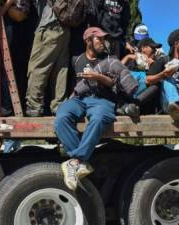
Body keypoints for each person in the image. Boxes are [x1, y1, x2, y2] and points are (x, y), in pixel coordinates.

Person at [55, 27, 135, 190]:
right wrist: (70, 98)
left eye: (104, 39)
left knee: (99, 119)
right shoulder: (76, 60)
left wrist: (98, 77)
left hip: (102, 99)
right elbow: (75, 84)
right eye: (99, 39)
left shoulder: (109, 59)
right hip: (79, 98)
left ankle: (75, 161)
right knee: (61, 117)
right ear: (88, 41)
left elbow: (114, 85)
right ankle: (80, 161)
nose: (103, 42)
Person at [24, 0, 70, 116]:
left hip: (49, 27)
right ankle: (59, 105)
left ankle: (34, 105)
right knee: (60, 70)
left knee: (38, 68)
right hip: (65, 29)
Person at [120, 38, 164, 115]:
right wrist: (128, 57)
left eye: (155, 48)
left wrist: (153, 65)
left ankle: (132, 106)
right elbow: (116, 69)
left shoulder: (156, 62)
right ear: (143, 48)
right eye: (152, 48)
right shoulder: (132, 60)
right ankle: (127, 106)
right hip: (128, 92)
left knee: (157, 84)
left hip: (143, 101)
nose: (155, 50)